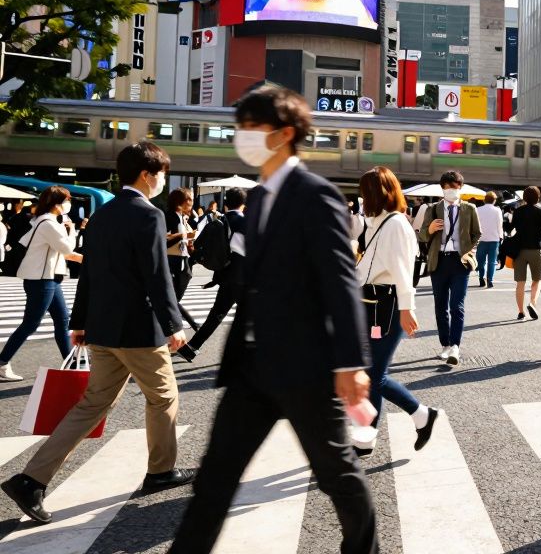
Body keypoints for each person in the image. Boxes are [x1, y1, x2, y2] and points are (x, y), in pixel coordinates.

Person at [170, 84, 376, 554]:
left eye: (251, 127)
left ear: (284, 134)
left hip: (306, 366)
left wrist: (351, 362)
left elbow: (339, 281)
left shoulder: (316, 195)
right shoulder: (260, 197)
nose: (241, 136)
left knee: (337, 475)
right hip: (251, 366)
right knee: (215, 477)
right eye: (240, 127)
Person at [2, 142, 193, 524]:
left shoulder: (103, 214)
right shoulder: (149, 215)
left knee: (92, 404)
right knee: (163, 398)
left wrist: (79, 322)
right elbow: (157, 275)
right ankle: (160, 471)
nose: (163, 180)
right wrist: (175, 325)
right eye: (162, 173)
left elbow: (88, 271)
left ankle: (31, 480)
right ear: (147, 174)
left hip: (103, 328)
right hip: (139, 329)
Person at [351, 167, 438, 456]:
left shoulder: (396, 224)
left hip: (387, 307)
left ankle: (419, 415)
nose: (362, 198)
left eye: (365, 193)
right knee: (371, 373)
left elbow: (403, 271)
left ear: (377, 194)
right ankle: (374, 434)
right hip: (373, 304)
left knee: (373, 374)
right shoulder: (377, 222)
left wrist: (406, 309)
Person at [0, 186, 82, 381]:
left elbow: (63, 252)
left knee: (62, 320)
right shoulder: (49, 224)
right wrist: (71, 230)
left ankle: (71, 364)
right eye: (67, 200)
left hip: (48, 279)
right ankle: (2, 363)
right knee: (31, 323)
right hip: (41, 280)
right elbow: (67, 249)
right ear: (56, 204)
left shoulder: (42, 221)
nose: (69, 204)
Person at [419, 171, 480, 366]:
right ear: (442, 189)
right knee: (440, 306)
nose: (450, 190)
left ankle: (455, 346)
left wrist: (469, 252)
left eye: (454, 187)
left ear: (460, 187)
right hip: (438, 261)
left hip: (460, 262)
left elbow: (477, 234)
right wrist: (429, 230)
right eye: (447, 187)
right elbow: (422, 235)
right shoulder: (433, 209)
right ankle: (445, 344)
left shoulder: (469, 208)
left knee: (457, 305)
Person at [182, 188, 247, 359]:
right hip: (242, 277)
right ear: (243, 204)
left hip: (225, 275)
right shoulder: (244, 223)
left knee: (217, 314)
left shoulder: (221, 220)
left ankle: (192, 346)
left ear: (225, 204)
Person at [509, 186, 541, 321]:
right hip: (536, 249)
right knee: (537, 280)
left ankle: (521, 312)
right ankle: (532, 303)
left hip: (519, 250)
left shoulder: (518, 211)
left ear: (524, 198)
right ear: (538, 197)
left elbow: (512, 227)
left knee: (520, 283)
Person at [164, 189, 201, 332]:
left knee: (172, 299)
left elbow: (186, 238)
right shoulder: (169, 216)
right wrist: (184, 235)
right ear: (180, 202)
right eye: (189, 199)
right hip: (172, 260)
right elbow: (163, 239)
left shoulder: (182, 217)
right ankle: (191, 325)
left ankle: (183, 325)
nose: (192, 202)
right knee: (172, 298)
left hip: (183, 261)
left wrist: (190, 240)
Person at [475, 191, 503, 288]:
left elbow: (475, 225)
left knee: (480, 261)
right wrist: (501, 236)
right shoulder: (497, 210)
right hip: (494, 239)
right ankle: (490, 280)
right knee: (492, 261)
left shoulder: (478, 210)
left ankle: (481, 278)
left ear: (484, 200)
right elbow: (499, 225)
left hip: (481, 239)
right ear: (494, 200)